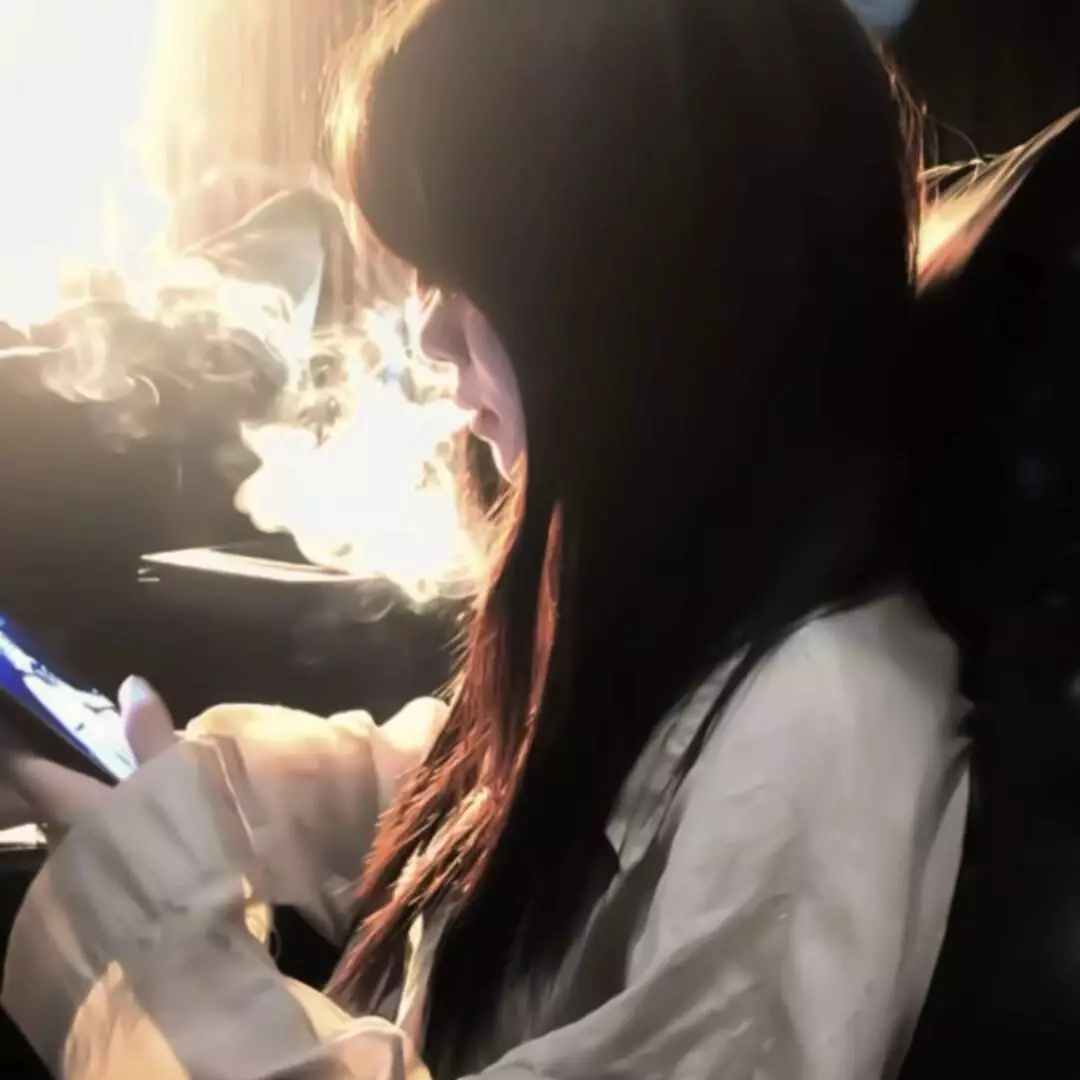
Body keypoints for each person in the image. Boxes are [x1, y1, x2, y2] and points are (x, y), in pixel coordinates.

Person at [0, 1, 983, 1076]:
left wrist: (154, 925)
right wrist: (199, 794)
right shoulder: (679, 616)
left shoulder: (816, 736)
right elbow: (468, 802)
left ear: (644, 297)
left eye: (472, 277)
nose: (430, 331)